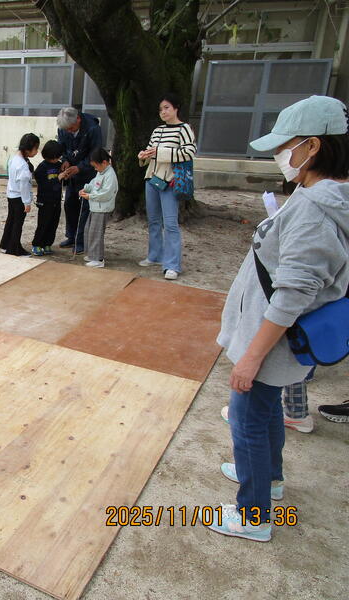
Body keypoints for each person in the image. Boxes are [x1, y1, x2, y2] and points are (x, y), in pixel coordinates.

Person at [207, 95, 349, 542]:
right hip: (281, 340)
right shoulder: (320, 194)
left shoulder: (316, 208)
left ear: (313, 146)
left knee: (247, 419)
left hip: (273, 340)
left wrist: (251, 357)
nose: (280, 156)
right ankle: (269, 479)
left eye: (286, 146)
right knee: (266, 411)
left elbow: (292, 293)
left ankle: (253, 516)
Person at [137, 93, 197, 281]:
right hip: (152, 179)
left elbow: (190, 151)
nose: (163, 112)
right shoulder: (157, 130)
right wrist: (144, 156)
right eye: (161, 109)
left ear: (176, 108)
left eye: (166, 108)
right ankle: (155, 255)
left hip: (170, 181)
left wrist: (160, 152)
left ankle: (172, 265)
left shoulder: (184, 129)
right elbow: (151, 151)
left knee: (170, 224)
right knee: (153, 220)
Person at [55, 106, 103, 253]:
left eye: (71, 128)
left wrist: (80, 167)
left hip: (88, 174)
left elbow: (95, 153)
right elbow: (62, 147)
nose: (69, 131)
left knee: (85, 208)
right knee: (69, 204)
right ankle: (71, 236)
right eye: (66, 129)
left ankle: (81, 241)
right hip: (71, 173)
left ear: (78, 119)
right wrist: (65, 160)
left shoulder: (93, 129)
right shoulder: (63, 129)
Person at [0, 133, 39, 256]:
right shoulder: (23, 166)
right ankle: (14, 248)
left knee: (11, 221)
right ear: (28, 149)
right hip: (19, 198)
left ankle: (5, 245)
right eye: (36, 149)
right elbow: (24, 186)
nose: (37, 152)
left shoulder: (14, 158)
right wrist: (27, 202)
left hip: (11, 195)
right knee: (17, 223)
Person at [79, 147, 118, 268]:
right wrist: (86, 189)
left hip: (102, 208)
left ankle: (98, 259)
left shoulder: (110, 175)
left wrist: (90, 196)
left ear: (104, 162)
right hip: (95, 207)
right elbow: (94, 183)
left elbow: (106, 193)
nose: (95, 169)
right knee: (89, 230)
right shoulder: (101, 172)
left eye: (96, 166)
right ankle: (91, 254)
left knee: (96, 233)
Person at [30, 139, 63, 256]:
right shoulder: (42, 168)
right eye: (54, 157)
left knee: (53, 223)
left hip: (56, 200)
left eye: (58, 157)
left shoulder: (59, 165)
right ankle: (37, 244)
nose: (56, 160)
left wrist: (66, 175)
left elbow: (63, 181)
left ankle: (47, 243)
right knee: (43, 223)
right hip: (45, 201)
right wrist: (58, 178)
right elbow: (44, 185)